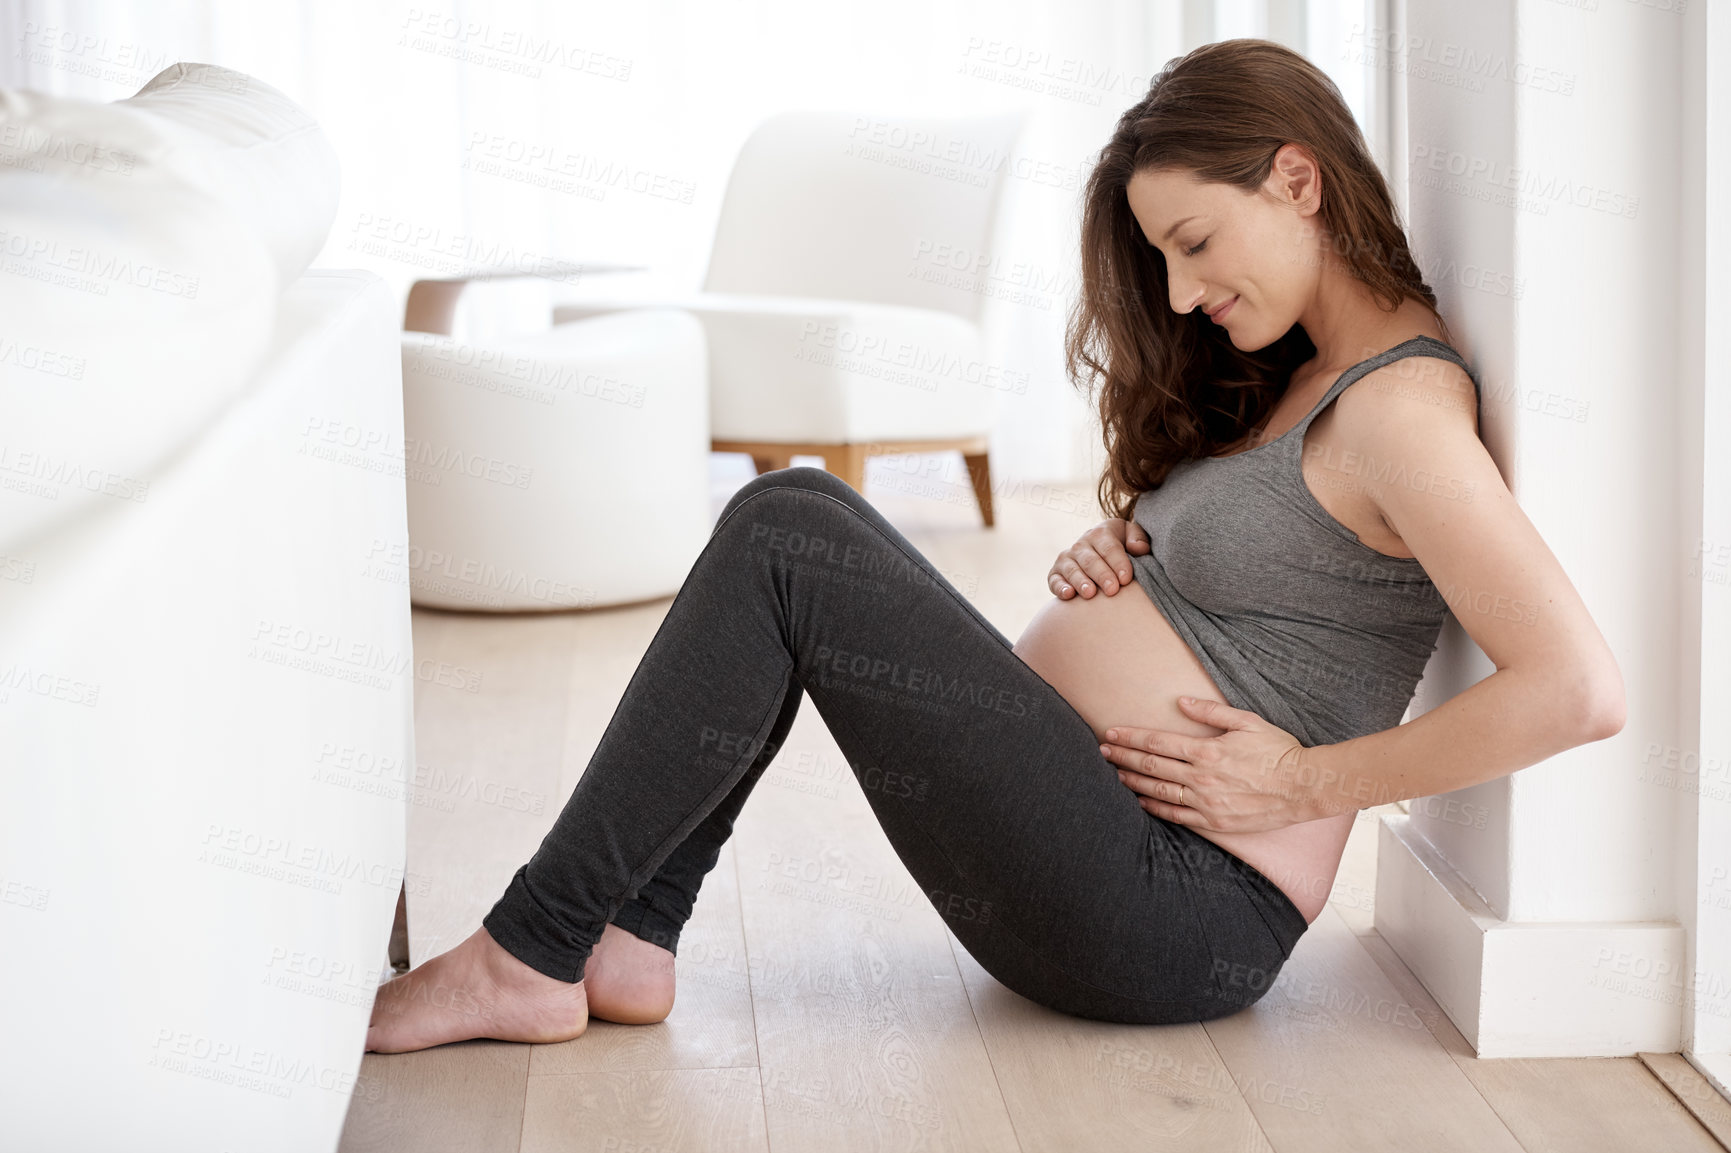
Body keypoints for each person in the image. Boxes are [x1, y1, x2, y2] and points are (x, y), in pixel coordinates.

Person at [365, 38, 1624, 1054]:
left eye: (1193, 243)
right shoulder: (1310, 376)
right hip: (1119, 854)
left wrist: (1304, 784)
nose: (1181, 294)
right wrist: (1144, 553)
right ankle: (630, 931)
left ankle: (530, 951)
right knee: (798, 520)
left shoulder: (1403, 410)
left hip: (1178, 914)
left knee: (787, 528)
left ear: (1298, 179)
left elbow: (1576, 689)